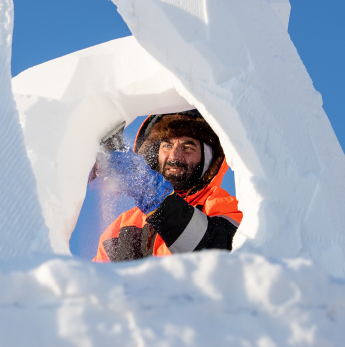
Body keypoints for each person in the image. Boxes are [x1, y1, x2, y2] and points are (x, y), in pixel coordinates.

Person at [92, 110, 242, 262]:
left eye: (188, 147)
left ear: (207, 160)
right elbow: (97, 281)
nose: (174, 156)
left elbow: (225, 255)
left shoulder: (229, 208)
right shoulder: (121, 228)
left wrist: (153, 194)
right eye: (167, 145)